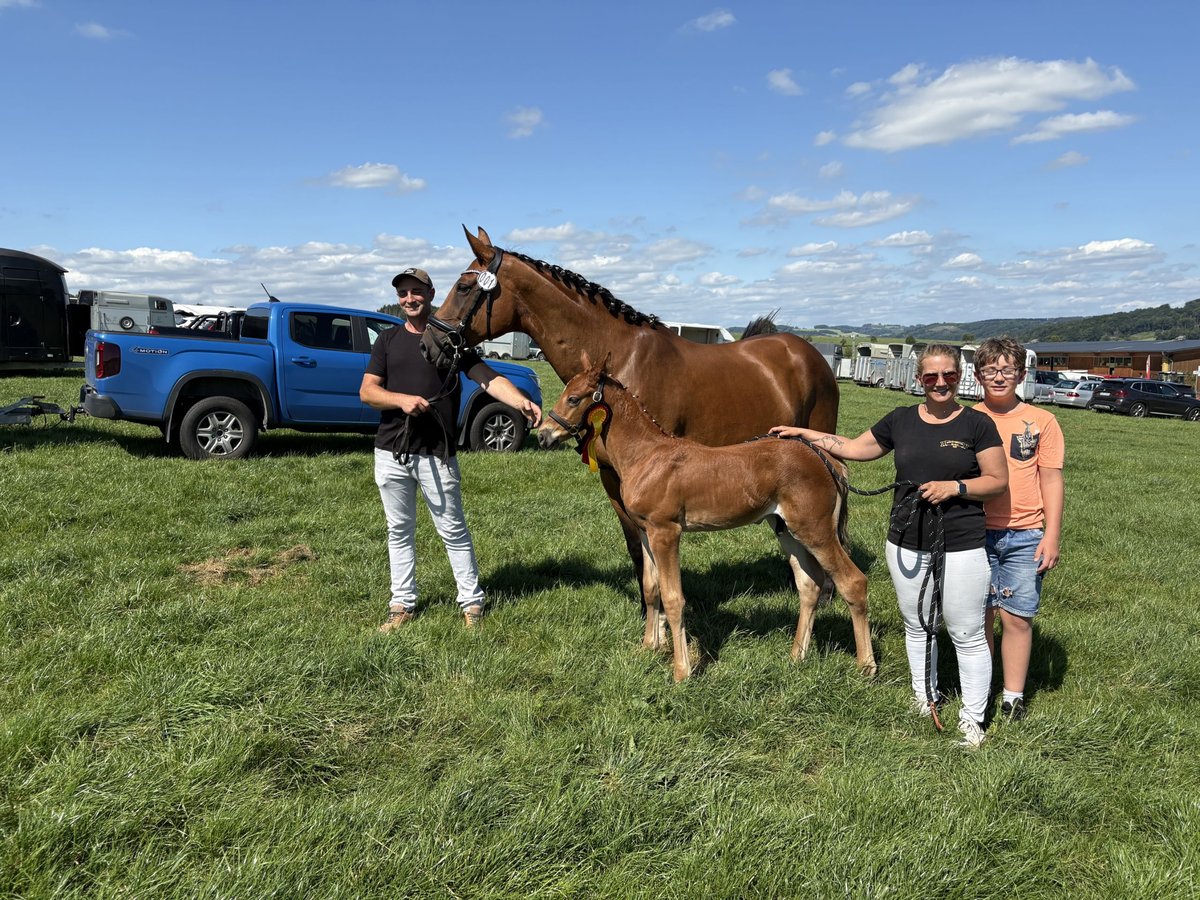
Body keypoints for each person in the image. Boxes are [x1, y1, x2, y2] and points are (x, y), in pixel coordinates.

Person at [770, 344, 1007, 747]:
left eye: (948, 375)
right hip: (905, 541)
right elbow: (852, 448)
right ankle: (922, 698)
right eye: (931, 377)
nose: (940, 384)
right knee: (917, 625)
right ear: (919, 379)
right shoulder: (900, 420)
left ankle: (972, 720)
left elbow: (997, 481)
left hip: (962, 543)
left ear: (959, 376)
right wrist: (804, 433)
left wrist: (956, 487)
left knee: (966, 633)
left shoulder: (977, 425)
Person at [360, 266, 543, 632]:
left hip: (436, 452)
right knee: (399, 530)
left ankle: (471, 603)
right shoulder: (387, 341)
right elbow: (368, 392)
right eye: (403, 293)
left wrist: (521, 401)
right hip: (391, 451)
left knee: (453, 530)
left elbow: (488, 378)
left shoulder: (453, 342)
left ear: (430, 294)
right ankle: (401, 604)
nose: (409, 299)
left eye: (416, 292)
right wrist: (402, 400)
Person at [974, 337, 1064, 722]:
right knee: (980, 616)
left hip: (1025, 533)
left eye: (1007, 370)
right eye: (991, 370)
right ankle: (980, 688)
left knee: (1017, 617)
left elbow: (1052, 479)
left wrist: (1051, 534)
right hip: (974, 534)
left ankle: (1013, 696)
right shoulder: (968, 419)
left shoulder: (1042, 421)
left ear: (1021, 375)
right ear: (978, 375)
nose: (999, 377)